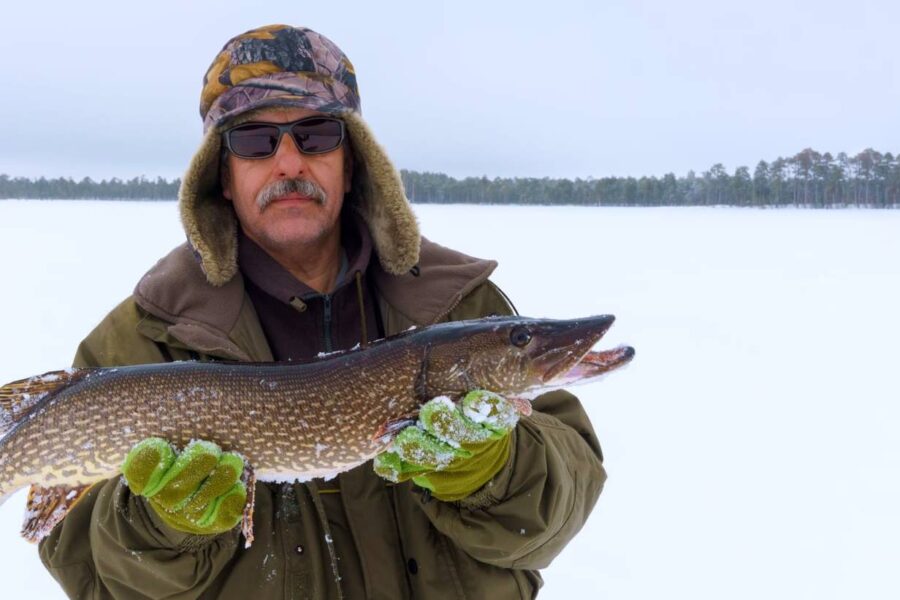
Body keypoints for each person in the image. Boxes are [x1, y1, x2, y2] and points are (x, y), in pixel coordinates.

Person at [38, 24, 606, 599]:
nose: (288, 163)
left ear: (352, 161)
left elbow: (562, 505)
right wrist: (161, 528)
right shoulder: (141, 337)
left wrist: (495, 473)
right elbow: (87, 568)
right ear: (224, 177)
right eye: (255, 142)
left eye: (316, 135)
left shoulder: (457, 304)